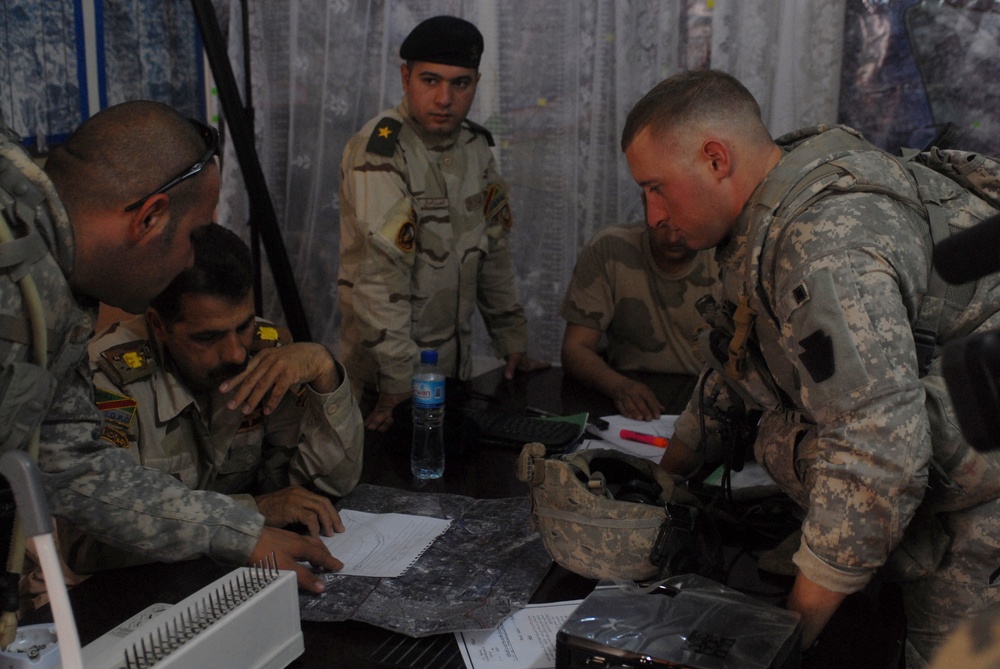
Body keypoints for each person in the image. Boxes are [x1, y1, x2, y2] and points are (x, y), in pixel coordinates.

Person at [621, 69, 1000, 666]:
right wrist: (661, 487)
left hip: (984, 469)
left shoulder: (823, 243)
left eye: (656, 187)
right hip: (952, 421)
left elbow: (878, 453)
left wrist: (783, 639)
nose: (652, 215)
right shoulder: (770, 203)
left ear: (716, 158)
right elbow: (737, 358)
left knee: (946, 655)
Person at [0, 100, 340, 599]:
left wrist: (236, 531)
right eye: (193, 236)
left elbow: (72, 462)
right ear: (150, 218)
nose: (190, 261)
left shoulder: (56, 293)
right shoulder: (16, 279)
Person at [56, 223, 363, 574]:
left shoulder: (262, 355)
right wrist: (251, 513)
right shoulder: (108, 383)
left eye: (244, 325)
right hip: (137, 593)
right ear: (158, 325)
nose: (235, 352)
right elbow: (89, 547)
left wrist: (325, 372)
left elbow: (328, 486)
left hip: (231, 571)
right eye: (208, 337)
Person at [338, 15, 547, 433]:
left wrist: (512, 341)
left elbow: (494, 251)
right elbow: (379, 279)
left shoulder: (475, 147)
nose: (444, 98)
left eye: (460, 83)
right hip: (384, 381)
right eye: (430, 80)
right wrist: (398, 382)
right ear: (405, 77)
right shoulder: (380, 151)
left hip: (451, 375)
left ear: (476, 83)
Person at [559, 214, 718, 421]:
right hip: (628, 405)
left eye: (682, 224)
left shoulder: (729, 253)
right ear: (646, 203)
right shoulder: (610, 247)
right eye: (661, 224)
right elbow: (575, 347)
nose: (671, 238)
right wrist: (619, 386)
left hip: (710, 403)